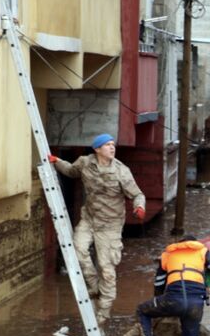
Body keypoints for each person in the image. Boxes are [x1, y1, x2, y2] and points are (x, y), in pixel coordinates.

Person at [49, 133, 145, 323]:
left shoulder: (121, 171)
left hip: (110, 225)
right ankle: (93, 285)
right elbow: (71, 171)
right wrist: (56, 161)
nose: (112, 148)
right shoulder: (85, 162)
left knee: (107, 268)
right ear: (97, 149)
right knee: (77, 249)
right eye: (107, 145)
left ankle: (104, 311)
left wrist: (139, 207)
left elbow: (137, 194)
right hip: (89, 219)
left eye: (113, 145)